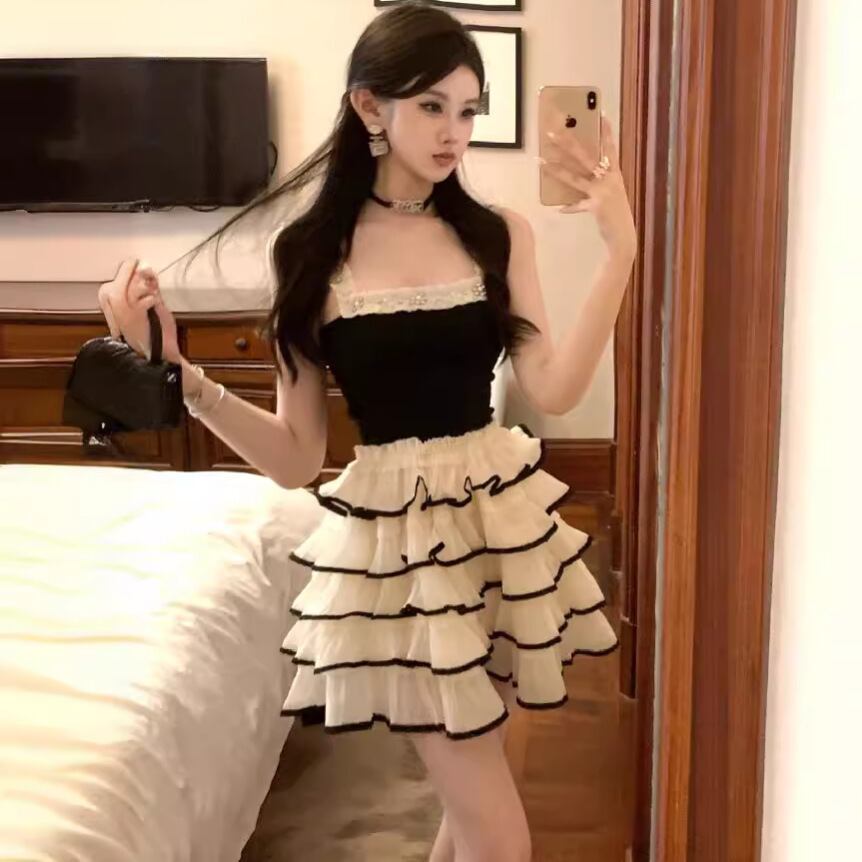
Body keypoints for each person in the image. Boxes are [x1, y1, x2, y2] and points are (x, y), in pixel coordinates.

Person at [98, 3, 636, 860]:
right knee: (500, 833)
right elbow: (296, 456)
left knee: (474, 804)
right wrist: (185, 380)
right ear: (368, 107)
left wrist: (619, 255)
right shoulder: (311, 254)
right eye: (432, 105)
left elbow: (555, 389)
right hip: (401, 552)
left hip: (498, 528)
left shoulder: (499, 235)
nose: (455, 131)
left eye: (468, 110)